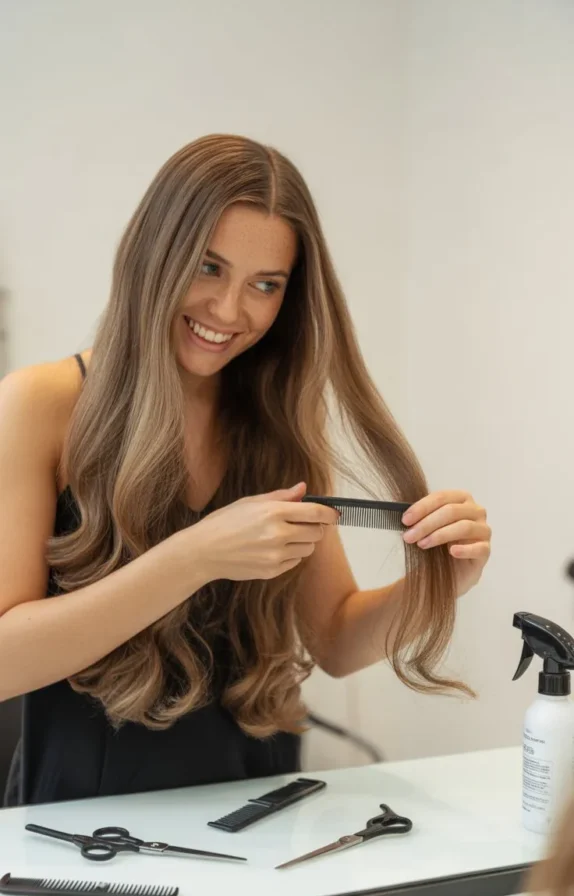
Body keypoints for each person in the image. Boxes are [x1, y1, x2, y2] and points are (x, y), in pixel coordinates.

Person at [0, 134, 491, 806]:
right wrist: (195, 557)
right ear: (154, 254)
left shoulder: (276, 418)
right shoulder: (41, 404)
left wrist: (441, 580)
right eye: (209, 267)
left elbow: (336, 639)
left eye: (266, 285)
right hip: (82, 826)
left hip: (255, 813)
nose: (230, 311)